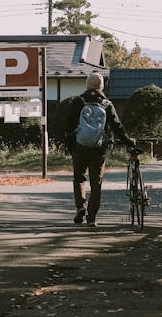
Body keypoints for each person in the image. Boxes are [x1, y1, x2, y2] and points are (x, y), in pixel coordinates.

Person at [66, 72, 135, 227]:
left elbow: (69, 126)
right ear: (101, 86)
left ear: (87, 84)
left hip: (79, 146)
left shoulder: (78, 101)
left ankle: (80, 207)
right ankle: (92, 218)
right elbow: (117, 127)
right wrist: (129, 142)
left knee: (79, 178)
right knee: (96, 183)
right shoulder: (106, 104)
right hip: (99, 148)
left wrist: (71, 146)